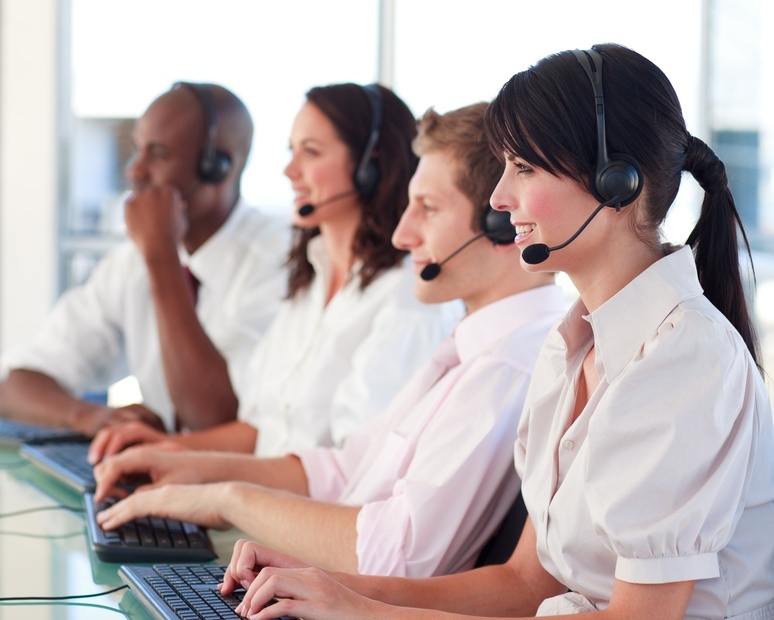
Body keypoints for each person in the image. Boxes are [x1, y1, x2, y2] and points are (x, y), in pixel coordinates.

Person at [215, 44, 774, 620]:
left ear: (616, 181)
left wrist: (361, 613)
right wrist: (322, 585)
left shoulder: (685, 359)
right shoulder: (571, 347)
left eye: (523, 168)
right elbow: (524, 583)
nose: (498, 198)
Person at [92, 102, 564, 577]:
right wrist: (195, 470)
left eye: (427, 208)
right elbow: (345, 469)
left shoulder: (507, 365)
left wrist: (227, 499)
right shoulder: (470, 347)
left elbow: (395, 557)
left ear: (503, 222)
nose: (405, 235)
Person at [87, 82, 462, 457]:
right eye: (291, 151)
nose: (289, 170)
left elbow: (350, 474)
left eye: (311, 152)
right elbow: (259, 432)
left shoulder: (405, 299)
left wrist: (213, 488)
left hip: (294, 512)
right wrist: (164, 450)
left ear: (370, 166)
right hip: (257, 503)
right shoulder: (308, 282)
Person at [0, 82, 290, 436]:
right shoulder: (130, 262)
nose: (135, 171)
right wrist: (91, 416)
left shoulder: (279, 261)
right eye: (137, 149)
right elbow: (15, 384)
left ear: (218, 166)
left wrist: (161, 255)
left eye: (159, 154)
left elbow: (215, 417)